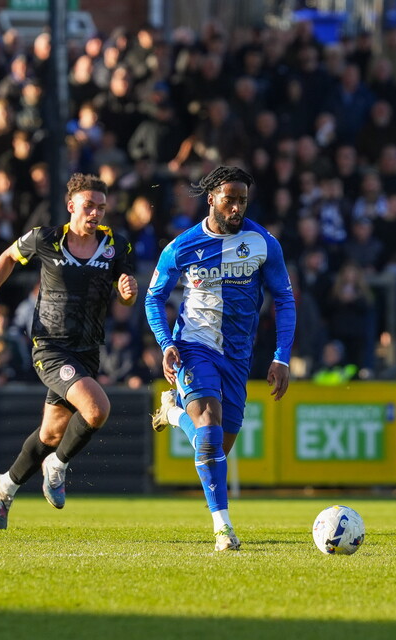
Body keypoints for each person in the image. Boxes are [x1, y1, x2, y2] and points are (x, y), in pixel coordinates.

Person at [0, 173, 137, 529]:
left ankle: (6, 484)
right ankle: (57, 466)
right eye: (89, 205)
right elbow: (7, 257)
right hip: (50, 347)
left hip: (87, 351)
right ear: (71, 205)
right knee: (96, 410)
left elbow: (127, 294)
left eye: (102, 207)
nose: (95, 213)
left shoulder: (116, 245)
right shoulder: (46, 238)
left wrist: (128, 289)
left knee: (50, 435)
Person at [146, 166, 296, 551]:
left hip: (238, 358)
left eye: (242, 200)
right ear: (211, 198)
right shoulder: (181, 246)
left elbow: (284, 299)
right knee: (210, 432)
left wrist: (281, 357)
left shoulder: (264, 243)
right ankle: (223, 530)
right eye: (229, 199)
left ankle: (174, 414)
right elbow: (153, 298)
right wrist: (166, 342)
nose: (236, 207)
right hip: (194, 348)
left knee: (217, 446)